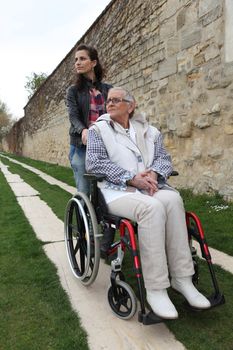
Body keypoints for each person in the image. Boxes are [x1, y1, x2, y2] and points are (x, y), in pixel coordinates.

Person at [86, 87, 211, 319]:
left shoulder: (150, 131)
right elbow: (93, 163)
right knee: (151, 208)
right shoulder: (99, 130)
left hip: (149, 186)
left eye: (116, 100)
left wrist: (153, 173)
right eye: (108, 100)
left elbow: (164, 159)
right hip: (117, 191)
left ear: (130, 106)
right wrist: (130, 178)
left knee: (173, 199)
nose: (110, 103)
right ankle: (156, 288)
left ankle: (183, 279)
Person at [66, 44, 114, 255]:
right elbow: (74, 116)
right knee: (84, 193)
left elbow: (115, 113)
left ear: (93, 62)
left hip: (105, 149)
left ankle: (105, 241)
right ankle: (85, 238)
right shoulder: (73, 91)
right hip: (81, 148)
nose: (77, 62)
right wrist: (83, 131)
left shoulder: (107, 90)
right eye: (76, 60)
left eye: (82, 59)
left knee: (107, 194)